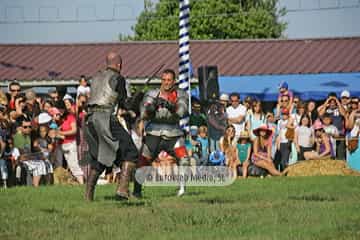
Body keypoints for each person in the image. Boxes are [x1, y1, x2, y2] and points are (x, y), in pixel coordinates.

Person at [84, 52, 138, 201]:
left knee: (100, 157)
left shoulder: (96, 78)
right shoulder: (118, 78)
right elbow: (124, 103)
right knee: (131, 152)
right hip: (106, 119)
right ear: (119, 65)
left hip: (89, 120)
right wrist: (135, 99)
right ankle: (122, 189)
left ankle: (88, 195)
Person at [139, 68, 189, 197]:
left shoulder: (180, 94)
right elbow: (143, 112)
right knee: (143, 160)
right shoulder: (152, 93)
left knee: (183, 158)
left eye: (169, 80)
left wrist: (171, 106)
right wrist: (151, 107)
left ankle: (182, 188)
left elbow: (182, 111)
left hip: (174, 133)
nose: (166, 83)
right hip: (153, 132)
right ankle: (137, 190)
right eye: (164, 80)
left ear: (174, 81)